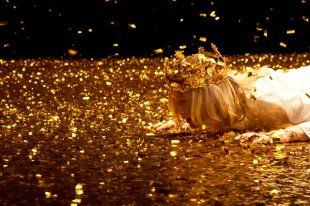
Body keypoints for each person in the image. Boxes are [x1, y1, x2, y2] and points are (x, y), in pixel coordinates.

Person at [146, 44, 310, 144]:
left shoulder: (273, 99)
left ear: (210, 104)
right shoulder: (235, 101)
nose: (180, 112)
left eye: (183, 103)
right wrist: (195, 119)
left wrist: (292, 133)